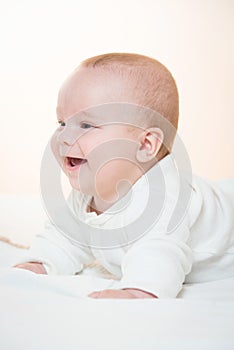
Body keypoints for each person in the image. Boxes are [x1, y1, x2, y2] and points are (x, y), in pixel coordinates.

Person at [14, 53, 234, 299]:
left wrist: (135, 293)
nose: (64, 136)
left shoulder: (163, 201)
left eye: (86, 126)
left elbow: (158, 259)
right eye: (62, 122)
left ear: (145, 145)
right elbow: (66, 239)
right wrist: (37, 265)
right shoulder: (90, 191)